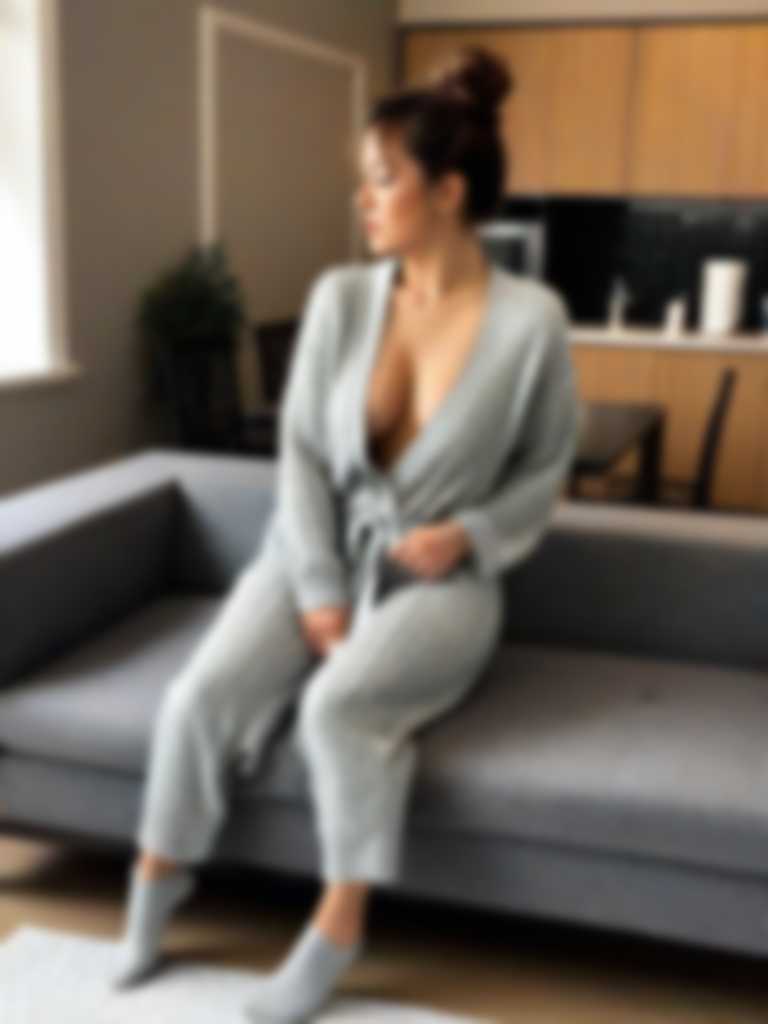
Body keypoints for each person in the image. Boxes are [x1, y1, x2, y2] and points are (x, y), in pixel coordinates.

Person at [109, 43, 583, 1023]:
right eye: (362, 181)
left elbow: (546, 470)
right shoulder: (339, 298)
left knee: (337, 708)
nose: (363, 200)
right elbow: (299, 453)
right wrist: (320, 585)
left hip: (442, 580)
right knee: (199, 696)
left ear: (447, 191)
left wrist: (470, 534)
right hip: (314, 546)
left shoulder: (531, 323)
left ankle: (338, 925)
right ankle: (158, 878)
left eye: (382, 179)